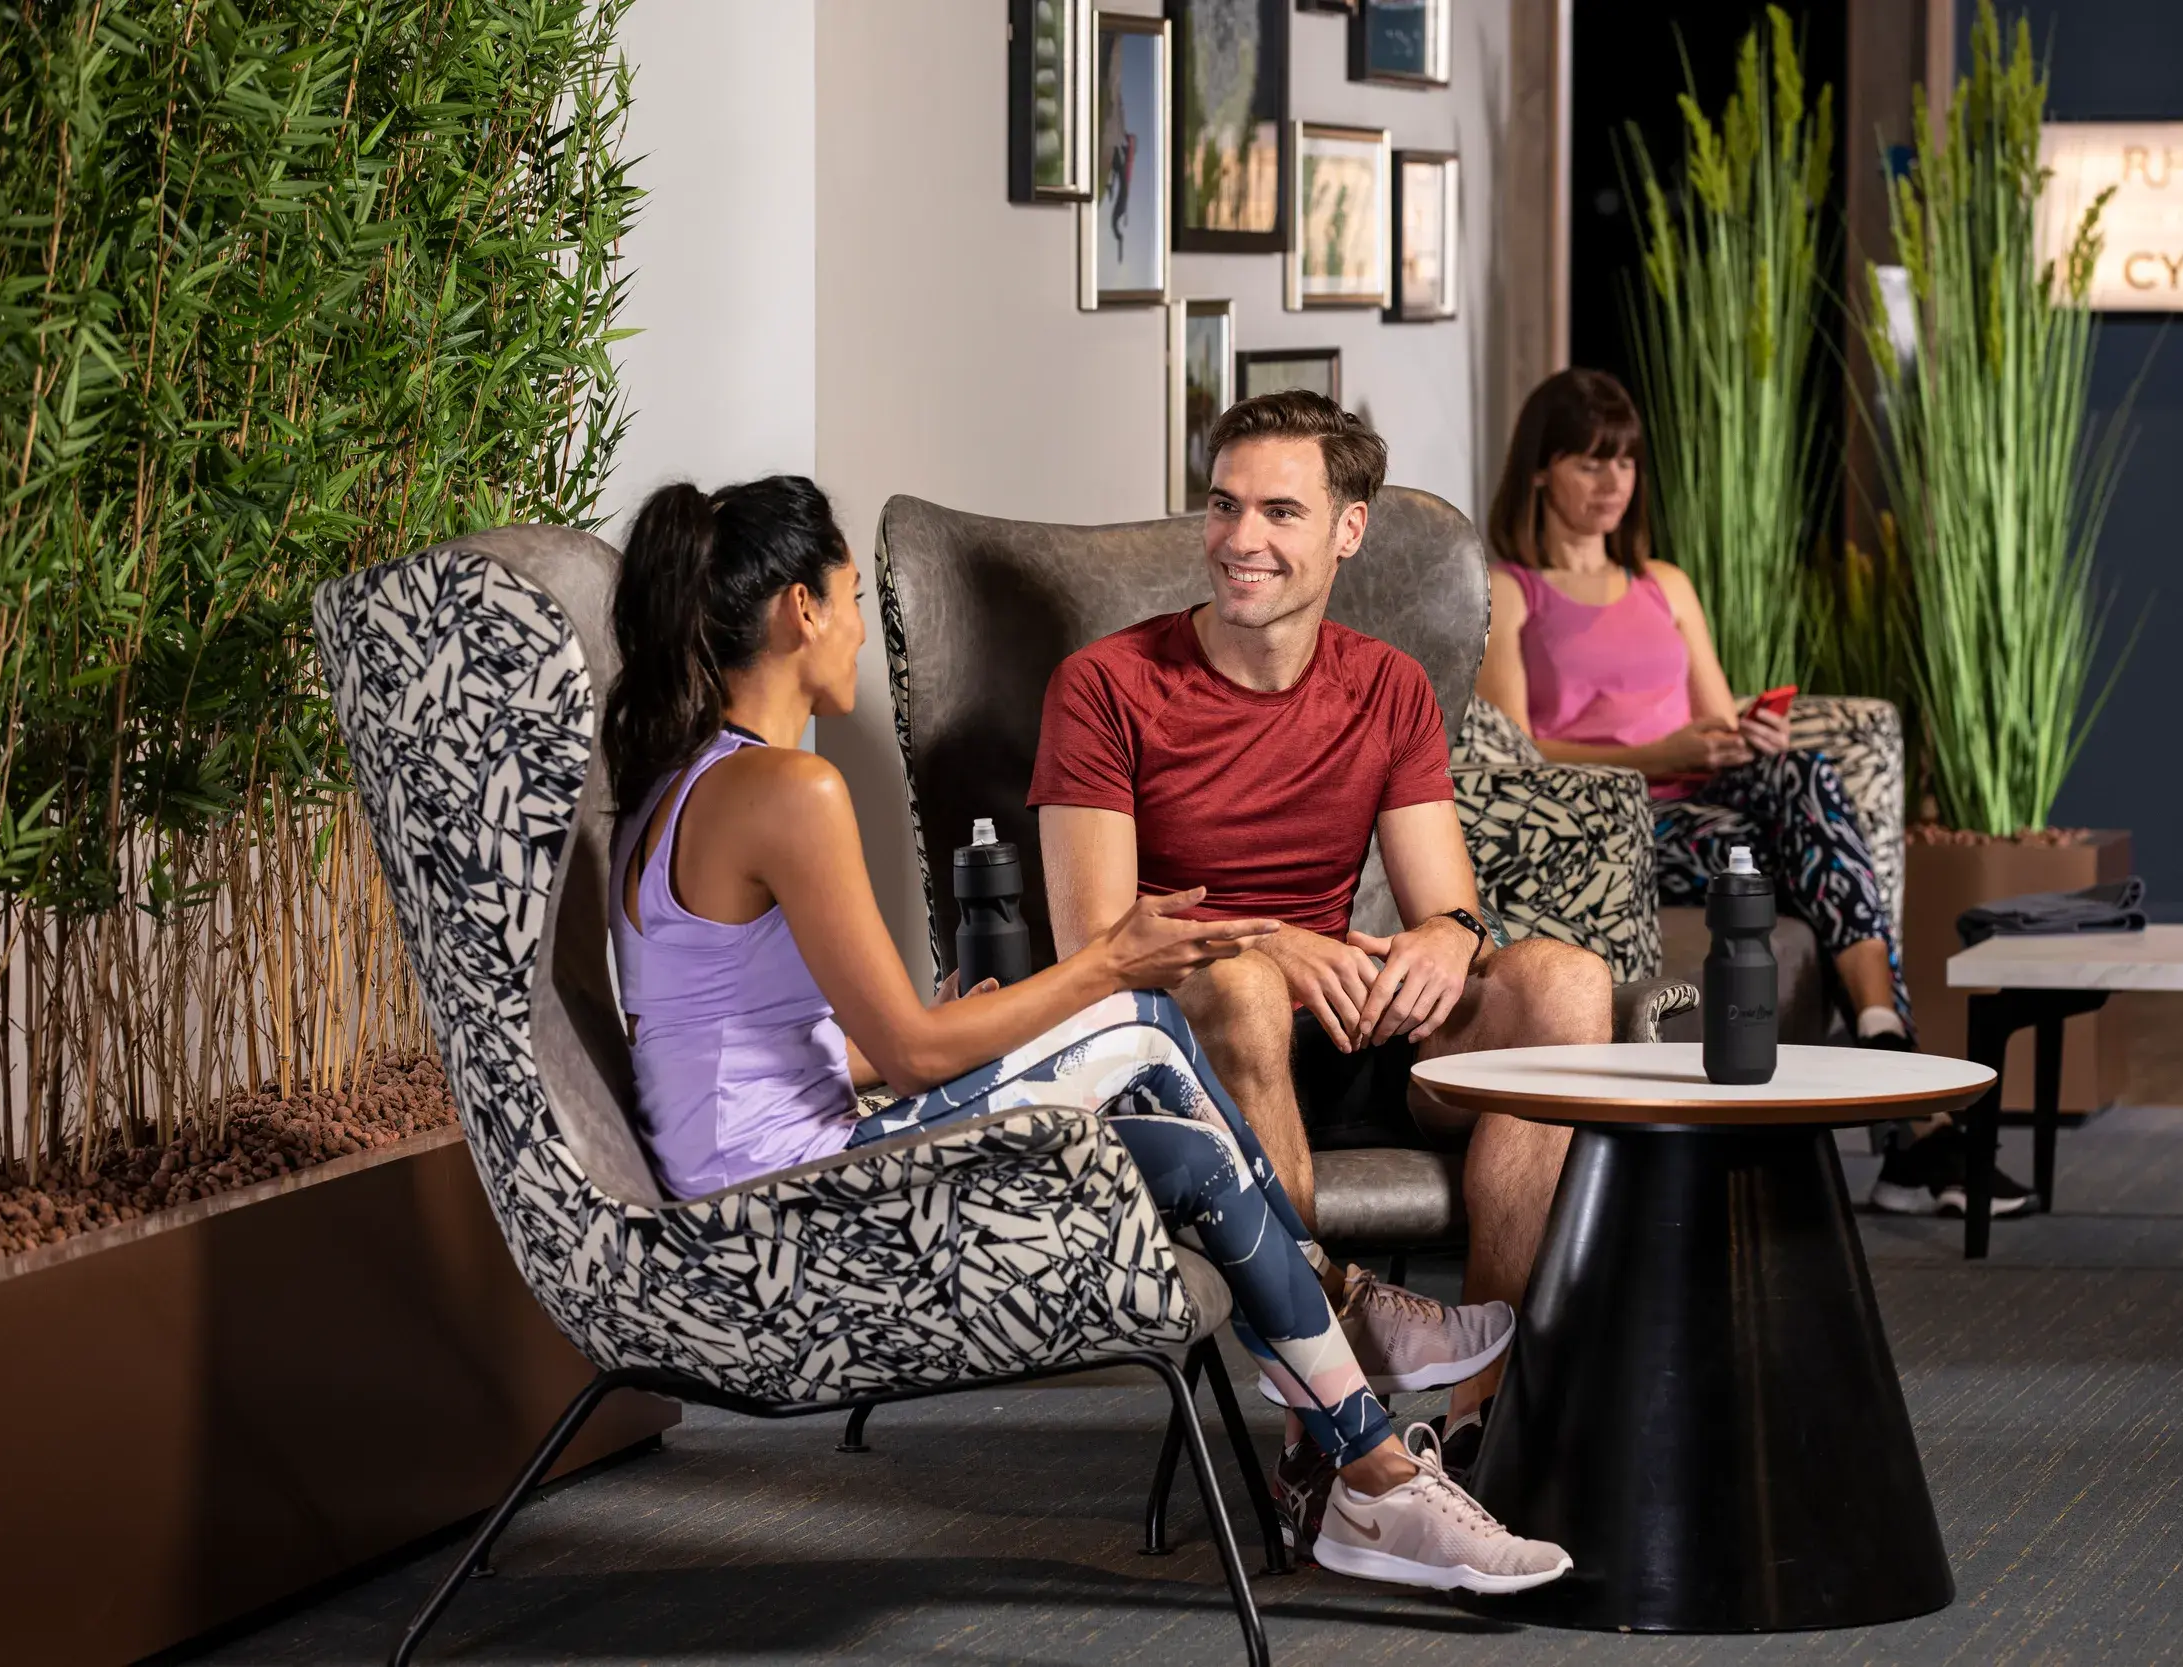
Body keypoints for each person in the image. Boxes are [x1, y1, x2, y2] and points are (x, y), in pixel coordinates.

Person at [602, 473, 1570, 1594]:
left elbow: (794, 1048)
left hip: (759, 1161)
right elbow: (910, 1056)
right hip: (780, 1200)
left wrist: (982, 1015)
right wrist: (1104, 967)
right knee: (1144, 1025)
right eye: (853, 597)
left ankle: (1371, 1475)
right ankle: (1347, 1323)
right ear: (799, 610)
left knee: (1182, 1149)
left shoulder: (677, 786)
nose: (860, 627)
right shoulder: (788, 791)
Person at [1029, 392, 1619, 1538]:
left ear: (1350, 529)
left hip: (1345, 1031)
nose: (1240, 538)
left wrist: (1447, 936)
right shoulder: (1104, 684)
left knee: (1565, 983)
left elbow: (1445, 900)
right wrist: (1266, 939)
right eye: (1224, 506)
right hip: (1190, 1051)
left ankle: (1479, 1418)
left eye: (1280, 512)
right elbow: (1095, 948)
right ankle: (1328, 1432)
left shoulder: (1387, 684)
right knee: (1249, 982)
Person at [1475, 367, 2033, 1221]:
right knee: (1807, 852)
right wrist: (1657, 753)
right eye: (1591, 462)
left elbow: (1714, 713)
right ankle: (1907, 1102)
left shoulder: (1663, 582)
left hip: (1708, 798)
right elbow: (1520, 750)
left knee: (1801, 773)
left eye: (1624, 462)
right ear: (1542, 470)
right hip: (1617, 829)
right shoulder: (1512, 590)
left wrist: (1747, 733)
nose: (1613, 482)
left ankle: (1884, 1037)